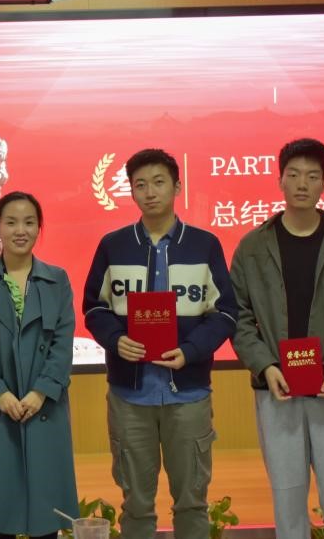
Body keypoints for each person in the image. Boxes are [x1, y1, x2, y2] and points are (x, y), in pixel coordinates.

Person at [230, 138, 324, 539]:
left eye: (312, 176)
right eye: (294, 175)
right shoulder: (253, 246)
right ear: (280, 180)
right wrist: (264, 365)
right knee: (287, 499)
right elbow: (238, 317)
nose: (302, 184)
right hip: (276, 389)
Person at [82, 149, 237, 539]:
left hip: (188, 395)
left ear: (177, 187)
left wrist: (192, 350)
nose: (149, 192)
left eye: (158, 182)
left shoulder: (204, 245)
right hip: (130, 397)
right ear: (131, 191)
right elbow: (94, 308)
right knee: (135, 505)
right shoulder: (113, 245)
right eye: (140, 185)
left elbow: (225, 312)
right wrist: (116, 339)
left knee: (192, 503)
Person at [0, 191, 79, 539]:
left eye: (29, 222)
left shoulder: (57, 280)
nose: (20, 230)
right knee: (0, 514)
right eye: (11, 222)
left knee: (47, 515)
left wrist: (41, 392)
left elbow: (63, 343)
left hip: (45, 406)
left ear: (39, 228)